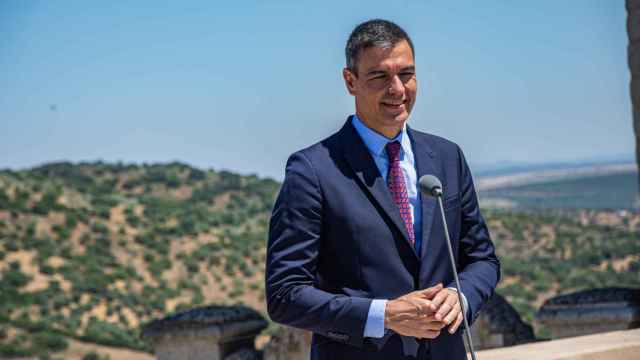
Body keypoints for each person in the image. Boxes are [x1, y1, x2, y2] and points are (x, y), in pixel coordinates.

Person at [265, 19, 500, 360]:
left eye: (406, 74)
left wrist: (460, 296)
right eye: (379, 76)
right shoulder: (312, 171)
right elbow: (285, 295)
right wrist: (385, 315)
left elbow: (482, 260)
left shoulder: (448, 158)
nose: (397, 89)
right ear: (351, 82)